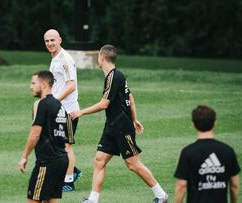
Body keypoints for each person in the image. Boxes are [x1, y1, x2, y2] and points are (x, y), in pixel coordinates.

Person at [71, 44, 168, 203]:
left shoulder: (113, 77)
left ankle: (161, 195)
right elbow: (130, 97)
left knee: (133, 164)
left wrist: (81, 112)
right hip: (112, 126)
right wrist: (135, 119)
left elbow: (104, 104)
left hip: (122, 128)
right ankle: (93, 200)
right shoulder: (117, 76)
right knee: (99, 160)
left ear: (101, 57)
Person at [18, 71, 69, 203]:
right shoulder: (59, 105)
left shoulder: (43, 104)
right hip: (61, 159)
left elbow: (35, 133)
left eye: (34, 83)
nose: (31, 86)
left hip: (47, 161)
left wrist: (24, 156)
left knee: (33, 199)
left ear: (44, 84)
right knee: (51, 199)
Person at [174, 105, 240, 203]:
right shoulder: (227, 150)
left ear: (193, 124)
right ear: (215, 123)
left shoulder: (188, 152)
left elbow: (181, 185)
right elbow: (234, 185)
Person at [44, 29, 82, 192]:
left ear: (60, 40)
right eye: (47, 41)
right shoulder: (55, 59)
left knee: (66, 146)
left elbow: (71, 85)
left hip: (68, 111)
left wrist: (55, 100)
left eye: (53, 40)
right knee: (56, 145)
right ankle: (73, 171)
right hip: (59, 110)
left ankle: (68, 182)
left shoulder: (65, 59)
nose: (50, 43)